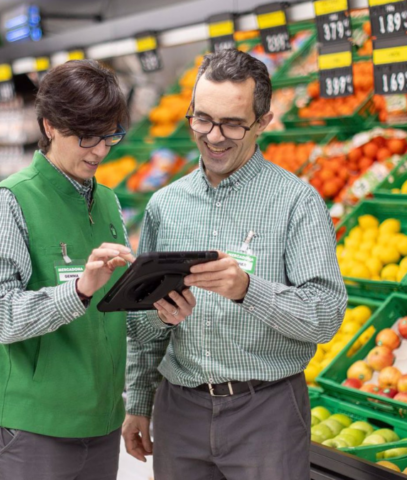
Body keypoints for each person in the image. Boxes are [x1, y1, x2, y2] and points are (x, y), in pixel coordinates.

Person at [123, 49, 348, 480]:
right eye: (202, 119)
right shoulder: (164, 206)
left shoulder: (297, 203)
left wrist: (248, 289)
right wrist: (139, 399)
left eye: (232, 123)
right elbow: (139, 324)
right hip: (179, 409)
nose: (213, 136)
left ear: (263, 122)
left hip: (266, 412)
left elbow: (324, 316)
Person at [0, 60, 184, 480]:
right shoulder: (10, 202)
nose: (100, 150)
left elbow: (118, 315)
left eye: (110, 136)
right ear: (50, 126)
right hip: (30, 433)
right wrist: (79, 291)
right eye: (87, 136)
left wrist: (158, 310)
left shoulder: (107, 202)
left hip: (99, 427)